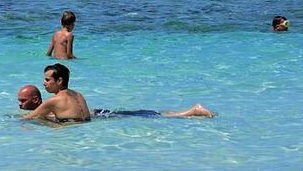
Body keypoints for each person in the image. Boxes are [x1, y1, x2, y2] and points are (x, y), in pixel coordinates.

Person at [17, 85, 215, 118]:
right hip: (101, 113)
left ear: (35, 100)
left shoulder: (46, 106)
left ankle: (192, 111)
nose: (20, 105)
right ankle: (187, 112)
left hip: (104, 117)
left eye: (22, 101)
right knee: (147, 114)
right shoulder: (51, 104)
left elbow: (30, 119)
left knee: (148, 116)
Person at [21, 64, 91, 123]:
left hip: (68, 132)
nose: (44, 83)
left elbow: (27, 118)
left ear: (59, 81)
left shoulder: (54, 100)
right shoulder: (79, 95)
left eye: (47, 80)